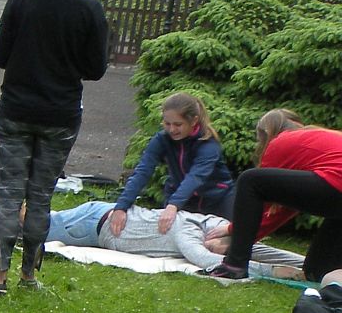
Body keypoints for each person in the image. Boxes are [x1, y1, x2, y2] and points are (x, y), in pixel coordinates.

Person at [0, 0, 109, 294]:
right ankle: (29, 275)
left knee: (10, 192)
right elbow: (95, 70)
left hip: (16, 109)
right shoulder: (90, 8)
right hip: (61, 113)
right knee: (40, 196)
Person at [206, 109, 342, 283]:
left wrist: (232, 234)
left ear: (266, 134)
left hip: (337, 183)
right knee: (316, 272)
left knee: (250, 180)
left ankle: (233, 266)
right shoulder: (316, 138)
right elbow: (288, 206)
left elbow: (269, 210)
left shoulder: (280, 142)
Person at [47, 200, 301, 277]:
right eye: (221, 248)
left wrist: (304, 264)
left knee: (38, 220)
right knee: (35, 226)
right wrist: (272, 271)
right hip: (93, 221)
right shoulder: (188, 230)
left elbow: (257, 249)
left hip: (99, 224)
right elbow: (206, 260)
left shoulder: (213, 229)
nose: (218, 252)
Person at [110, 91, 236, 230]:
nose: (172, 129)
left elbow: (196, 176)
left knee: (225, 237)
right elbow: (143, 170)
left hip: (217, 199)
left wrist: (173, 205)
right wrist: (121, 206)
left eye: (178, 124)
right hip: (184, 200)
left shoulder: (207, 144)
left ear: (194, 121)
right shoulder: (162, 139)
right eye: (167, 123)